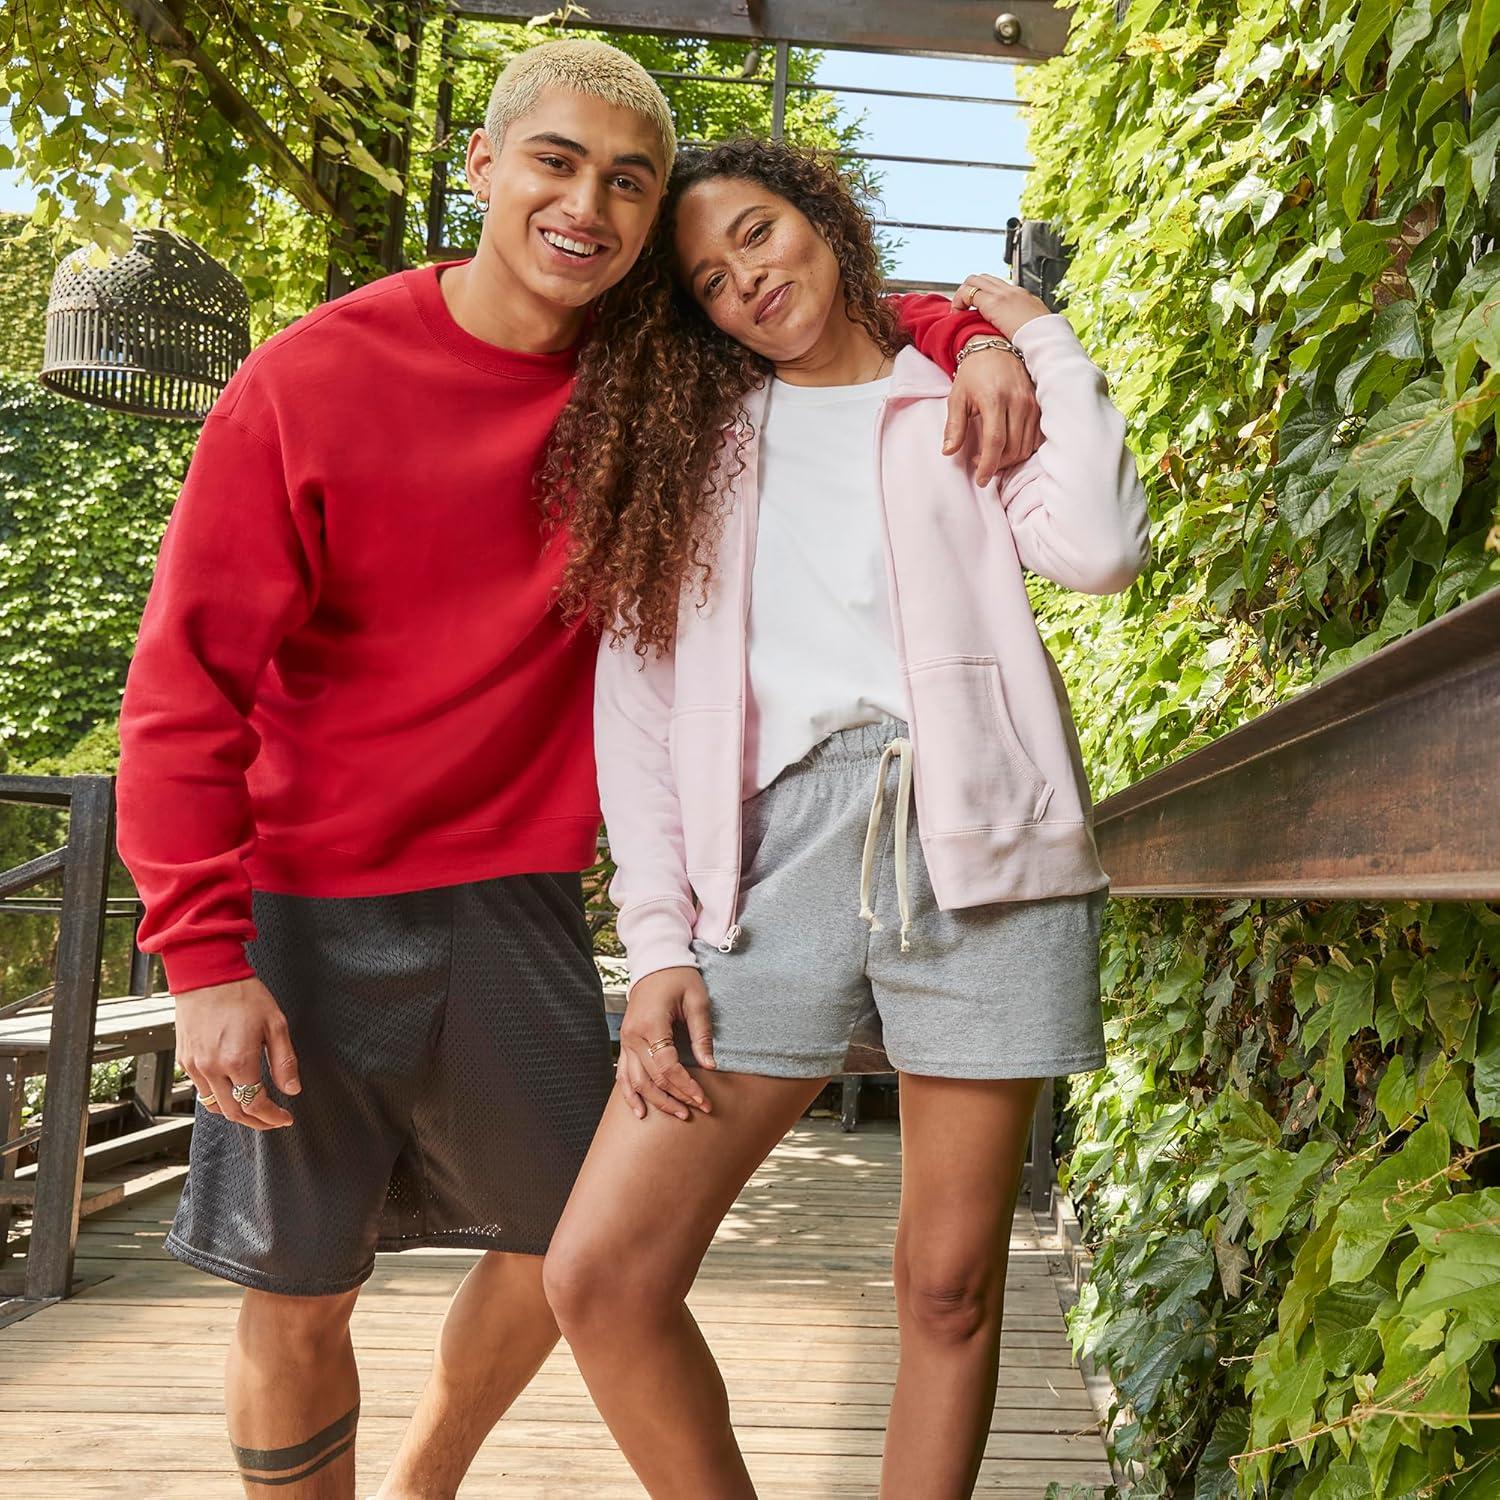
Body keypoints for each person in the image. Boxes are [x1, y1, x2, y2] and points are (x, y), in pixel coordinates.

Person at [115, 40, 1040, 1500]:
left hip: (520, 896)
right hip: (309, 891)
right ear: (483, 165)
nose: (587, 206)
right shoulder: (310, 379)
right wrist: (201, 956)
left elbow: (840, 320)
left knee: (568, 1246)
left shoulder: (660, 371)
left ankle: (423, 1480)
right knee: (299, 1287)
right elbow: (183, 683)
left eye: (628, 182)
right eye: (555, 162)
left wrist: (976, 333)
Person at [541, 138, 1150, 1500]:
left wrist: (1031, 336)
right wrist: (658, 943)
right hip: (771, 862)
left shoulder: (957, 394)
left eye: (758, 234)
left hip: (983, 848)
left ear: (821, 214)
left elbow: (1102, 549)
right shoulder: (692, 452)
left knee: (948, 1284)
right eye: (709, 280)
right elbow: (636, 714)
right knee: (602, 1274)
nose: (746, 281)